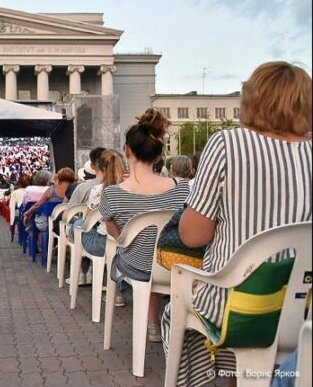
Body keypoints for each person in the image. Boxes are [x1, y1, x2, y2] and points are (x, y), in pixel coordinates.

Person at [161, 61, 312, 387]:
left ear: (251, 99)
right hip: (303, 310)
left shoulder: (227, 144)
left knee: (176, 310)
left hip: (241, 309)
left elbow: (192, 235)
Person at [99, 108, 190, 334]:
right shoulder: (182, 189)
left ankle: (140, 314)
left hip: (137, 267)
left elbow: (117, 235)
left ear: (126, 151)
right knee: (156, 251)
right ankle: (154, 324)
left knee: (130, 252)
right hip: (174, 266)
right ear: (159, 156)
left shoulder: (111, 194)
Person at [70, 150, 125, 284]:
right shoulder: (131, 189)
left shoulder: (98, 190)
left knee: (77, 225)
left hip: (103, 245)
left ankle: (81, 273)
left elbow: (87, 222)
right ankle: (117, 292)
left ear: (99, 168)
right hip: (128, 244)